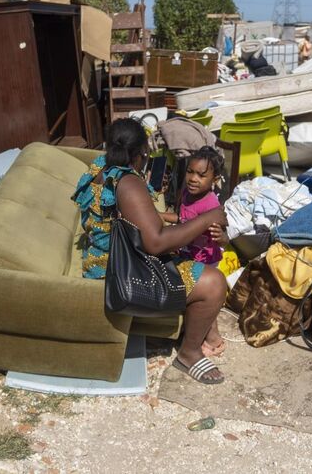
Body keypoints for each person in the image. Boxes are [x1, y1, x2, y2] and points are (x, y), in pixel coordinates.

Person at [73, 119, 229, 385]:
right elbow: (155, 243)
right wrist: (207, 218)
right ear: (141, 153)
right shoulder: (128, 182)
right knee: (214, 283)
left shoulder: (99, 166)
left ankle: (196, 335)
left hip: (100, 259)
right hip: (122, 269)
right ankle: (189, 353)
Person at [159, 146, 228, 357]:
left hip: (206, 258)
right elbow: (183, 220)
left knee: (205, 300)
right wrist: (158, 215)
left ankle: (213, 341)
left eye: (201, 175)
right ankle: (207, 337)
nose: (193, 178)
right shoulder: (187, 194)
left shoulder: (210, 204)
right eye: (190, 172)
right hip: (189, 253)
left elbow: (225, 234)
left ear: (214, 179)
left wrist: (222, 237)